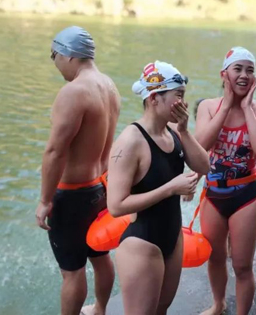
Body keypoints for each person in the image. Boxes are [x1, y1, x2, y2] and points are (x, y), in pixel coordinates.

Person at [107, 61, 209, 315]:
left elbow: (204, 166)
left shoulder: (174, 130)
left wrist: (185, 132)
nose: (184, 104)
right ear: (154, 98)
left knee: (162, 310)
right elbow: (116, 206)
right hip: (141, 243)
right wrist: (170, 188)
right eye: (179, 96)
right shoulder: (130, 141)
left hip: (172, 237)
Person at [35, 26, 121, 315]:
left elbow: (55, 151)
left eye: (54, 56)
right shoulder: (109, 86)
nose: (55, 62)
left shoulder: (73, 92)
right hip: (100, 189)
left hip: (71, 196)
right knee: (101, 256)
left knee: (72, 271)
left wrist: (45, 200)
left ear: (68, 55)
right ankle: (100, 309)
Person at [195, 47, 256, 315]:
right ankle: (218, 304)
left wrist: (246, 108)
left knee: (242, 265)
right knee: (215, 257)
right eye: (237, 69)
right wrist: (227, 106)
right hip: (214, 194)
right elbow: (200, 146)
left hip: (246, 196)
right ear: (224, 74)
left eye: (249, 70)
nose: (243, 75)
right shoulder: (208, 107)